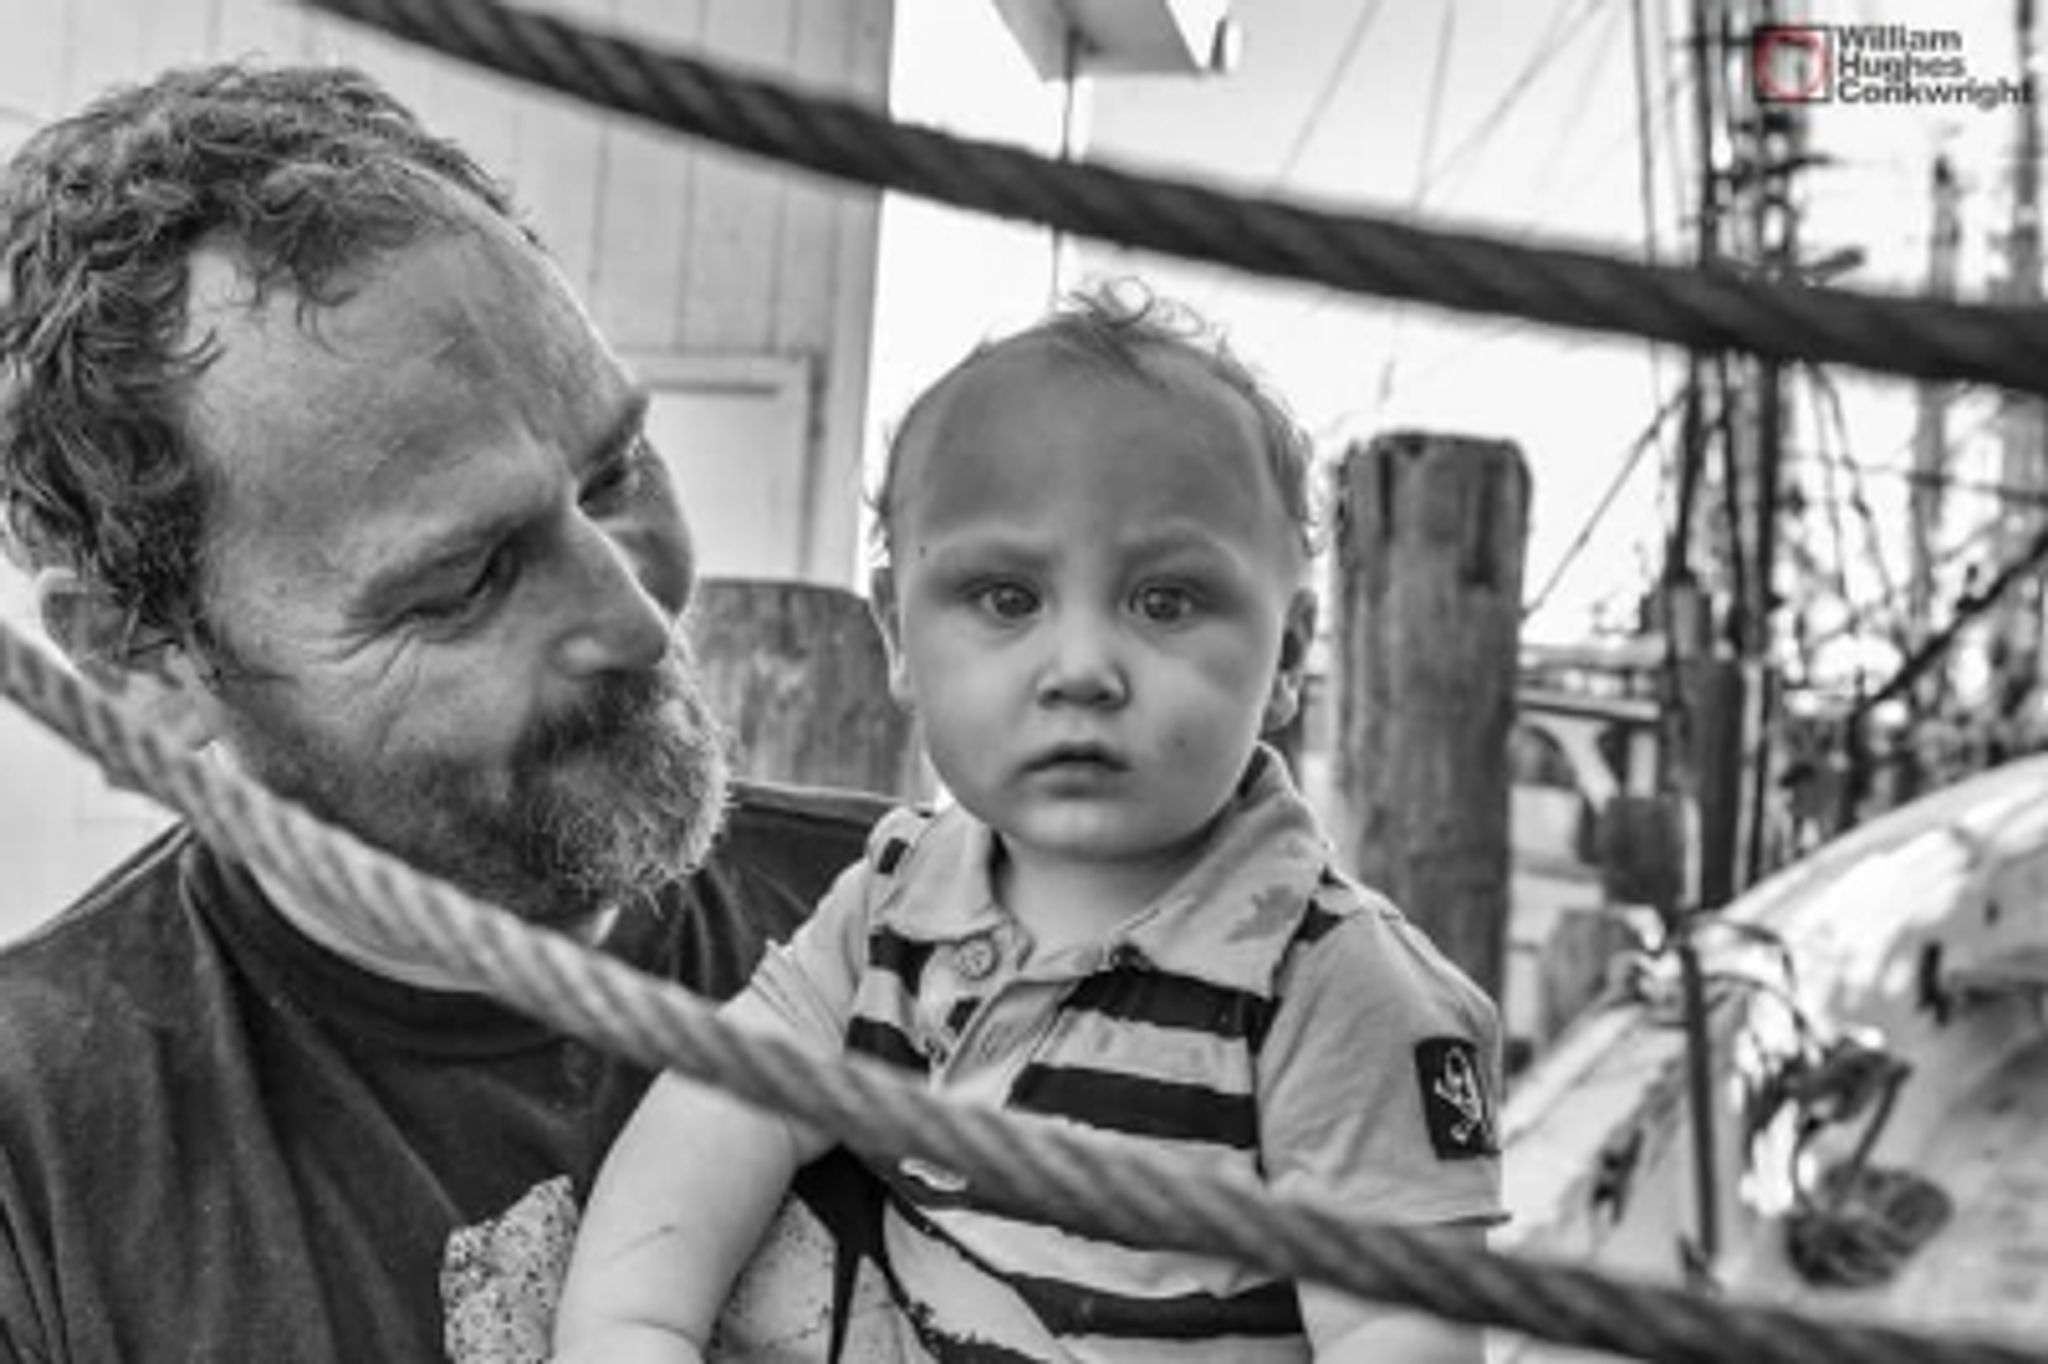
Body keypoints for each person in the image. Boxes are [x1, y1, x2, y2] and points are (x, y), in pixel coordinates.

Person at [0, 62, 892, 1362]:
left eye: (615, 472)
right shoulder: (37, 1169)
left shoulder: (958, 935)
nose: (637, 620)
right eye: (463, 580)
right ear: (141, 662)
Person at [554, 287, 1507, 1363]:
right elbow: (725, 1109)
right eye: (1008, 598)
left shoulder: (1331, 987)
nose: (1082, 669)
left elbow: (1394, 1330)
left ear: (1286, 655)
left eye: (1165, 601)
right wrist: (631, 1331)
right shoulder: (890, 908)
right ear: (897, 637)